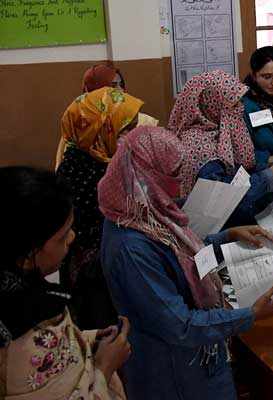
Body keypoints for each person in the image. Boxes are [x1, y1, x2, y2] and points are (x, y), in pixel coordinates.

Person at [98, 127, 273, 400]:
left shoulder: (144, 210)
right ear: (145, 175)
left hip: (197, 359)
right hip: (176, 373)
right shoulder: (131, 247)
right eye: (174, 175)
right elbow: (181, 325)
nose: (179, 184)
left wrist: (226, 239)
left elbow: (180, 259)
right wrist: (251, 314)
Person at [0, 166, 130, 400]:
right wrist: (104, 367)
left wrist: (86, 340)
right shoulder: (25, 334)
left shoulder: (25, 288)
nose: (72, 237)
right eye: (62, 235)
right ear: (30, 250)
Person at [56, 87, 143, 330]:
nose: (132, 136)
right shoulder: (85, 172)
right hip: (94, 274)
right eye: (126, 130)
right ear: (100, 129)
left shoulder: (104, 161)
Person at [167, 70, 273, 226]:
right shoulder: (200, 145)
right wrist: (268, 176)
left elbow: (241, 168)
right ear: (213, 105)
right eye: (234, 103)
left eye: (240, 101)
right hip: (218, 227)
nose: (241, 108)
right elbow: (221, 198)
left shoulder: (217, 131)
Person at [56, 64, 158, 169]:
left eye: (121, 85)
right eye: (113, 86)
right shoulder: (77, 133)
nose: (121, 90)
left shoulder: (142, 122)